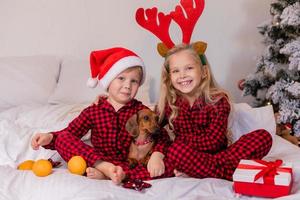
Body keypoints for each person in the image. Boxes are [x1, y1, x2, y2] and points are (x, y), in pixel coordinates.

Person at [31, 47, 169, 184]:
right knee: (63, 138)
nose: (127, 85)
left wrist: (157, 156)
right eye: (121, 78)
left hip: (128, 163)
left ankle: (112, 174)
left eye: (134, 81)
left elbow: (162, 135)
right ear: (108, 81)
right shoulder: (94, 110)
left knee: (168, 166)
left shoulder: (141, 111)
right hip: (97, 159)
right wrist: (49, 137)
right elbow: (70, 133)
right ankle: (105, 168)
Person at [157, 43, 273, 180]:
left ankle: (201, 170)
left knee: (263, 136)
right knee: (173, 154)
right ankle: (228, 172)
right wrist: (158, 153)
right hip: (187, 155)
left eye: (189, 68)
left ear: (204, 72)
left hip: (220, 155)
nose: (182, 75)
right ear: (169, 77)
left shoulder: (217, 100)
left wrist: (181, 144)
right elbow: (154, 131)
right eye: (175, 71)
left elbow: (214, 141)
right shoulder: (169, 104)